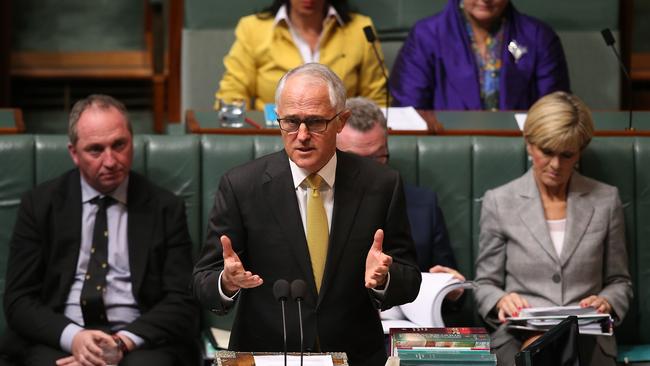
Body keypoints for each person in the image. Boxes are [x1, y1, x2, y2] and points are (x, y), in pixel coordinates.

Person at [194, 63, 421, 366]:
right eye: (290, 122)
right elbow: (203, 280)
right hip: (266, 356)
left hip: (354, 356)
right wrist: (227, 282)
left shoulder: (381, 184)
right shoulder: (241, 186)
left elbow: (410, 279)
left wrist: (383, 278)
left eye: (314, 122)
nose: (301, 135)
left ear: (342, 121)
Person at [2, 95, 198, 366]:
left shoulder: (165, 208)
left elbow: (182, 301)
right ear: (74, 153)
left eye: (119, 145)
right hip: (60, 337)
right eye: (95, 150)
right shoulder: (40, 205)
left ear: (132, 140)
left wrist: (122, 342)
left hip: (137, 340)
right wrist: (75, 338)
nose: (110, 160)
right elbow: (19, 300)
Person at [474, 91, 633, 365]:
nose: (556, 165)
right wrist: (502, 301)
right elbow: (485, 284)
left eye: (567, 155)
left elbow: (619, 281)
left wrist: (607, 302)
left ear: (580, 151)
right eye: (547, 152)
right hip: (519, 335)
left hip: (588, 336)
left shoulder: (606, 200)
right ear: (529, 144)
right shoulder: (499, 201)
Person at [337, 97, 465, 302]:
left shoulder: (424, 205)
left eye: (377, 158)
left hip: (413, 326)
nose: (369, 170)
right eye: (357, 160)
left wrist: (452, 289)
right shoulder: (318, 203)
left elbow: (449, 282)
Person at [390, 0, 570, 111]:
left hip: (525, 151)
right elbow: (408, 111)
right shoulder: (426, 35)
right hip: (444, 149)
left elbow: (555, 112)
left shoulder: (539, 37)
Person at [215, 0, 387, 111]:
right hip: (274, 135)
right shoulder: (253, 29)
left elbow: (376, 101)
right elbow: (232, 95)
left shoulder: (360, 29)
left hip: (342, 137)